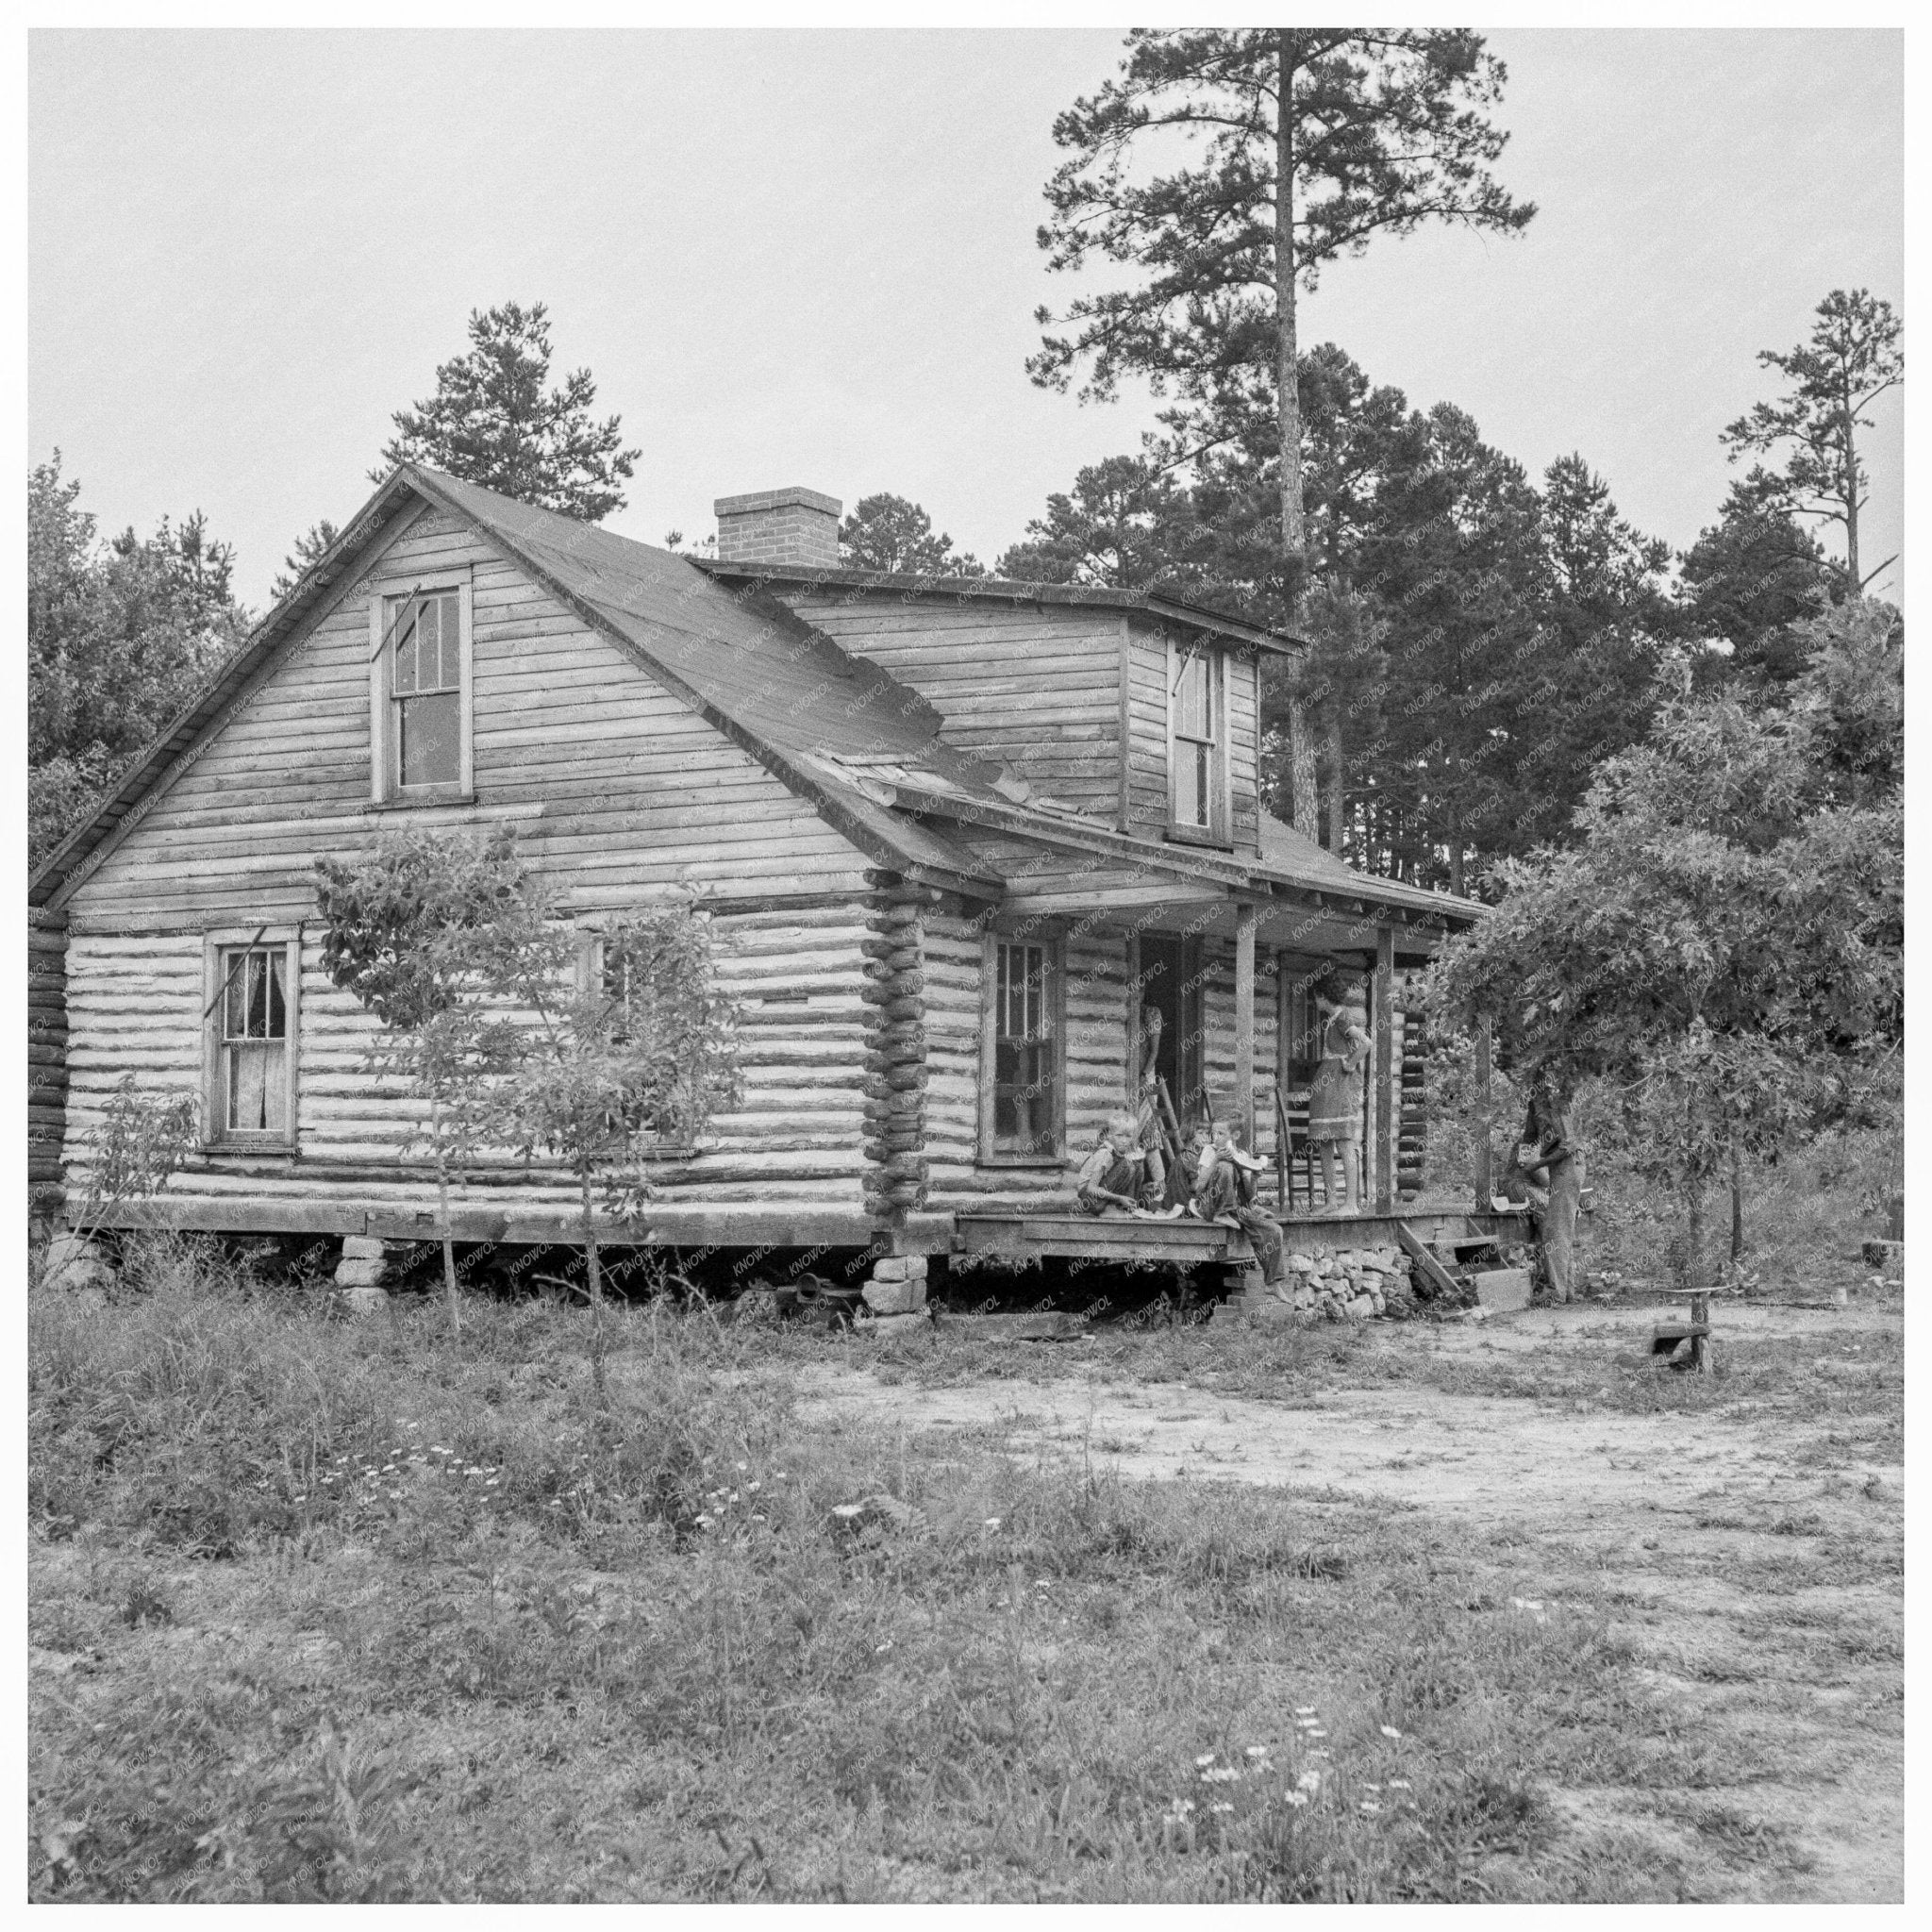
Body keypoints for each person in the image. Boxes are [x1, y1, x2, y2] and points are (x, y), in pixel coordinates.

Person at [1191, 1114, 1287, 1291]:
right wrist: (1216, 1160)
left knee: (1274, 1230)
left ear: (1235, 1136)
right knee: (1225, 1166)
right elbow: (1199, 1187)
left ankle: (1272, 1283)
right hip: (1209, 1206)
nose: (1215, 1138)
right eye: (1213, 1133)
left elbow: (1249, 1195)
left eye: (1220, 1133)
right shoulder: (1210, 1151)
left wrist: (1254, 1177)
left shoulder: (1242, 1154)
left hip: (1235, 1209)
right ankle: (1221, 1213)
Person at [1307, 971, 1371, 1214]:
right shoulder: (1334, 1019)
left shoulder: (1343, 1018)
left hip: (1339, 1085)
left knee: (1344, 1141)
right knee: (1324, 1141)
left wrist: (1352, 1062)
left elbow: (1366, 1043)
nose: (1315, 1002)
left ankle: (1351, 1203)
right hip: (1326, 1085)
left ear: (1323, 996)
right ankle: (1332, 1201)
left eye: (1317, 997)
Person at [1075, 1112, 1165, 1215]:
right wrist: (1119, 1198)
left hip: (1101, 1193)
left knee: (1137, 1166)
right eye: (1119, 1135)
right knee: (1128, 1165)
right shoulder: (1105, 1154)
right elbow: (1091, 1188)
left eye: (1128, 1136)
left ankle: (1129, 1207)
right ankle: (1111, 1207)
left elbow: (1119, 1181)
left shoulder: (1119, 1152)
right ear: (1109, 1135)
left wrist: (1142, 1188)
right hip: (1090, 1198)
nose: (1124, 1141)